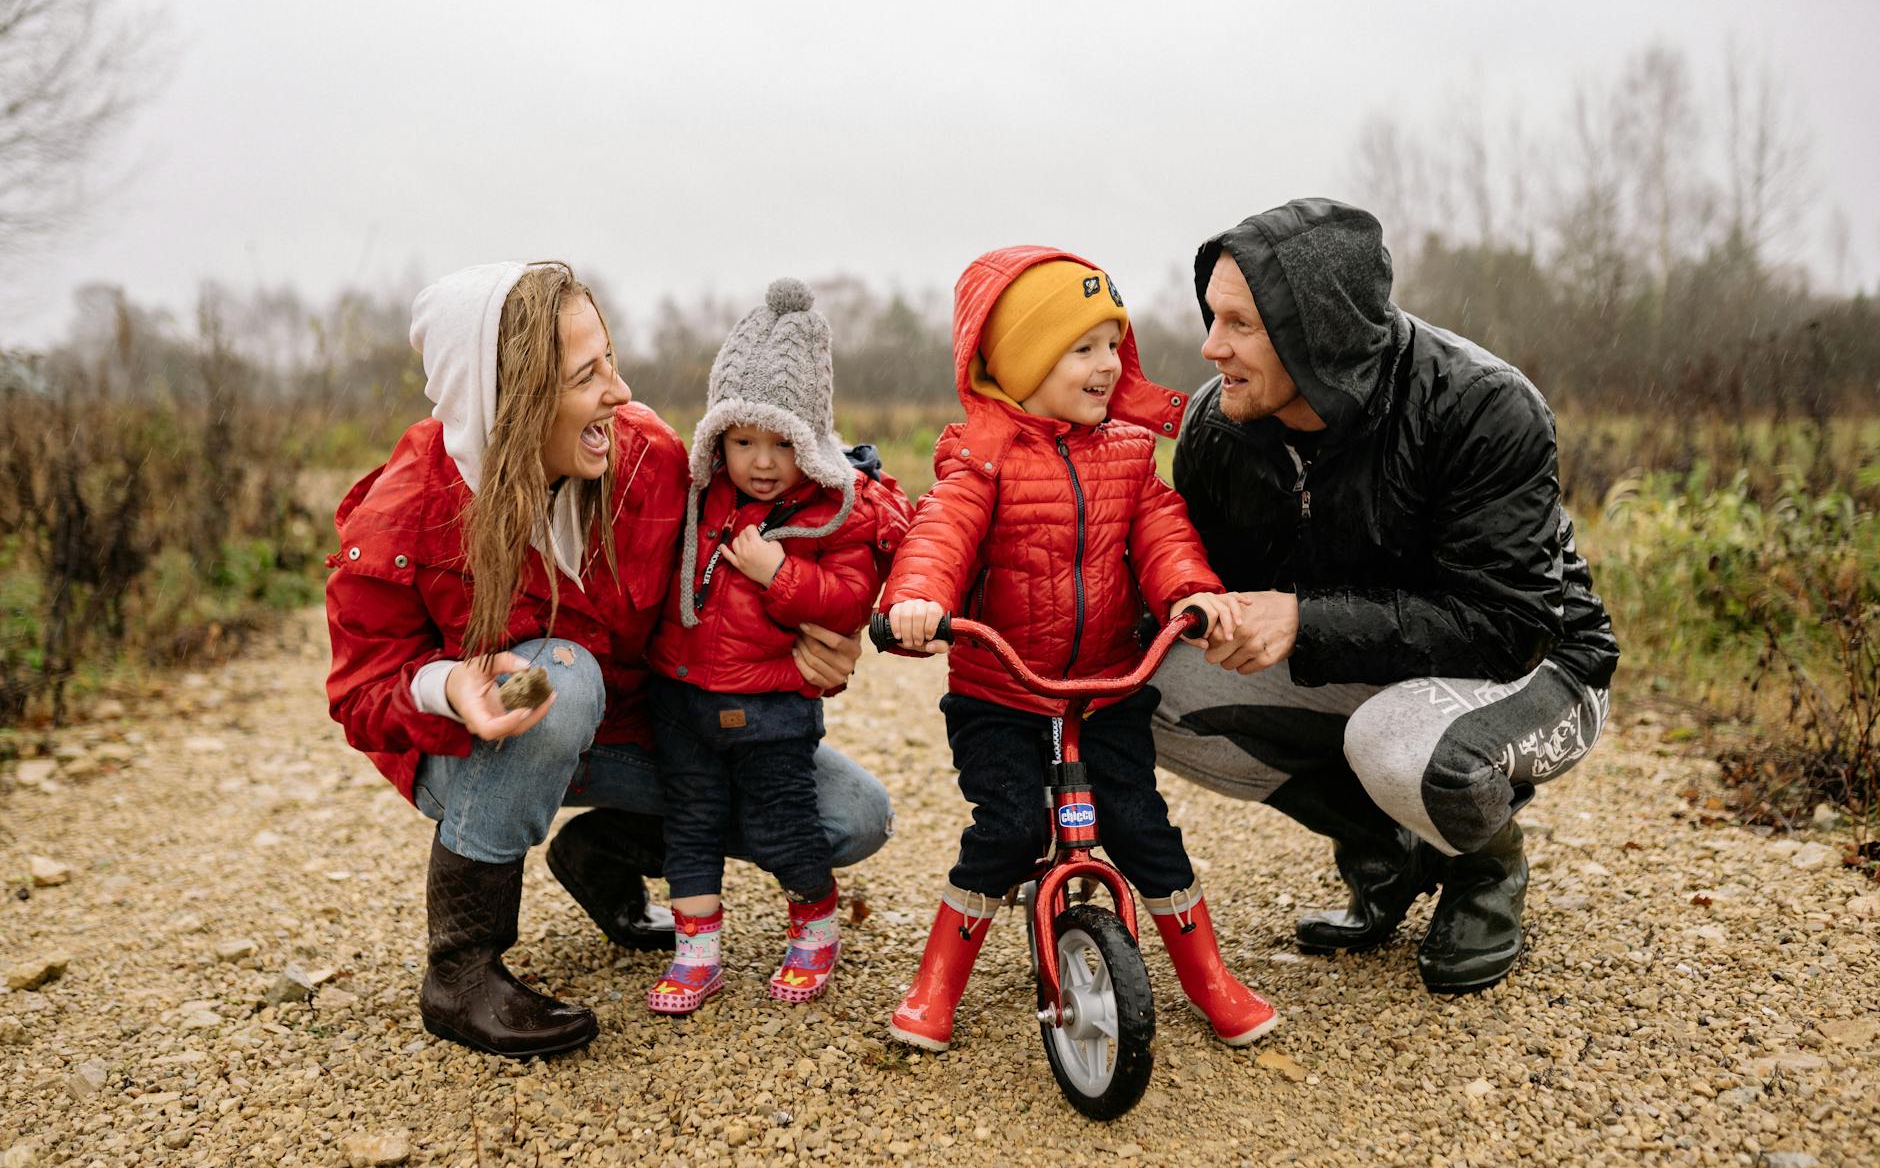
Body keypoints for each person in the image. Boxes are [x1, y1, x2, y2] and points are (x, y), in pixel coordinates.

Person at [324, 262, 898, 1059]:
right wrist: (447, 683)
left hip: (628, 732)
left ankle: (604, 852)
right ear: (511, 397)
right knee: (562, 673)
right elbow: (359, 689)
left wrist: (824, 629)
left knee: (851, 817)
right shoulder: (409, 509)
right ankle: (462, 969)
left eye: (612, 361)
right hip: (474, 749)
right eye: (587, 375)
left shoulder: (651, 460)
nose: (620, 393)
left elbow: (809, 498)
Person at [1151, 200, 1621, 994]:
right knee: (1142, 683)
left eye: (1239, 324)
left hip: (1544, 664)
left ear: (1315, 332)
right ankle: (1389, 851)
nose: (1210, 347)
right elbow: (1189, 578)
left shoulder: (1483, 405)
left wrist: (1302, 619)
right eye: (1212, 317)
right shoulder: (1218, 425)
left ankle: (1483, 873)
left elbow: (1508, 625)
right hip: (1372, 657)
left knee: (1398, 743)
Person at [879, 248, 1277, 1053]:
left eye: (1114, 344)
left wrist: (1189, 590)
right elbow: (941, 532)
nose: (1108, 365)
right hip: (1002, 692)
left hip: (1104, 689)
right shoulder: (981, 456)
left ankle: (1210, 978)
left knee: (1141, 828)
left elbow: (1160, 528)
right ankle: (935, 986)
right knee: (1009, 827)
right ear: (1023, 361)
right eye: (1083, 347)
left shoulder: (1128, 453)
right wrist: (919, 599)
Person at [644, 279, 903, 1014]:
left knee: (780, 823)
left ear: (812, 439)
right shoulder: (701, 496)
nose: (760, 461)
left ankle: (815, 923)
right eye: (741, 441)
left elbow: (850, 597)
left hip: (772, 705)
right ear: (716, 440)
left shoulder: (831, 513)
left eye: (782, 442)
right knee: (688, 825)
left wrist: (779, 573)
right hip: (682, 694)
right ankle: (696, 951)